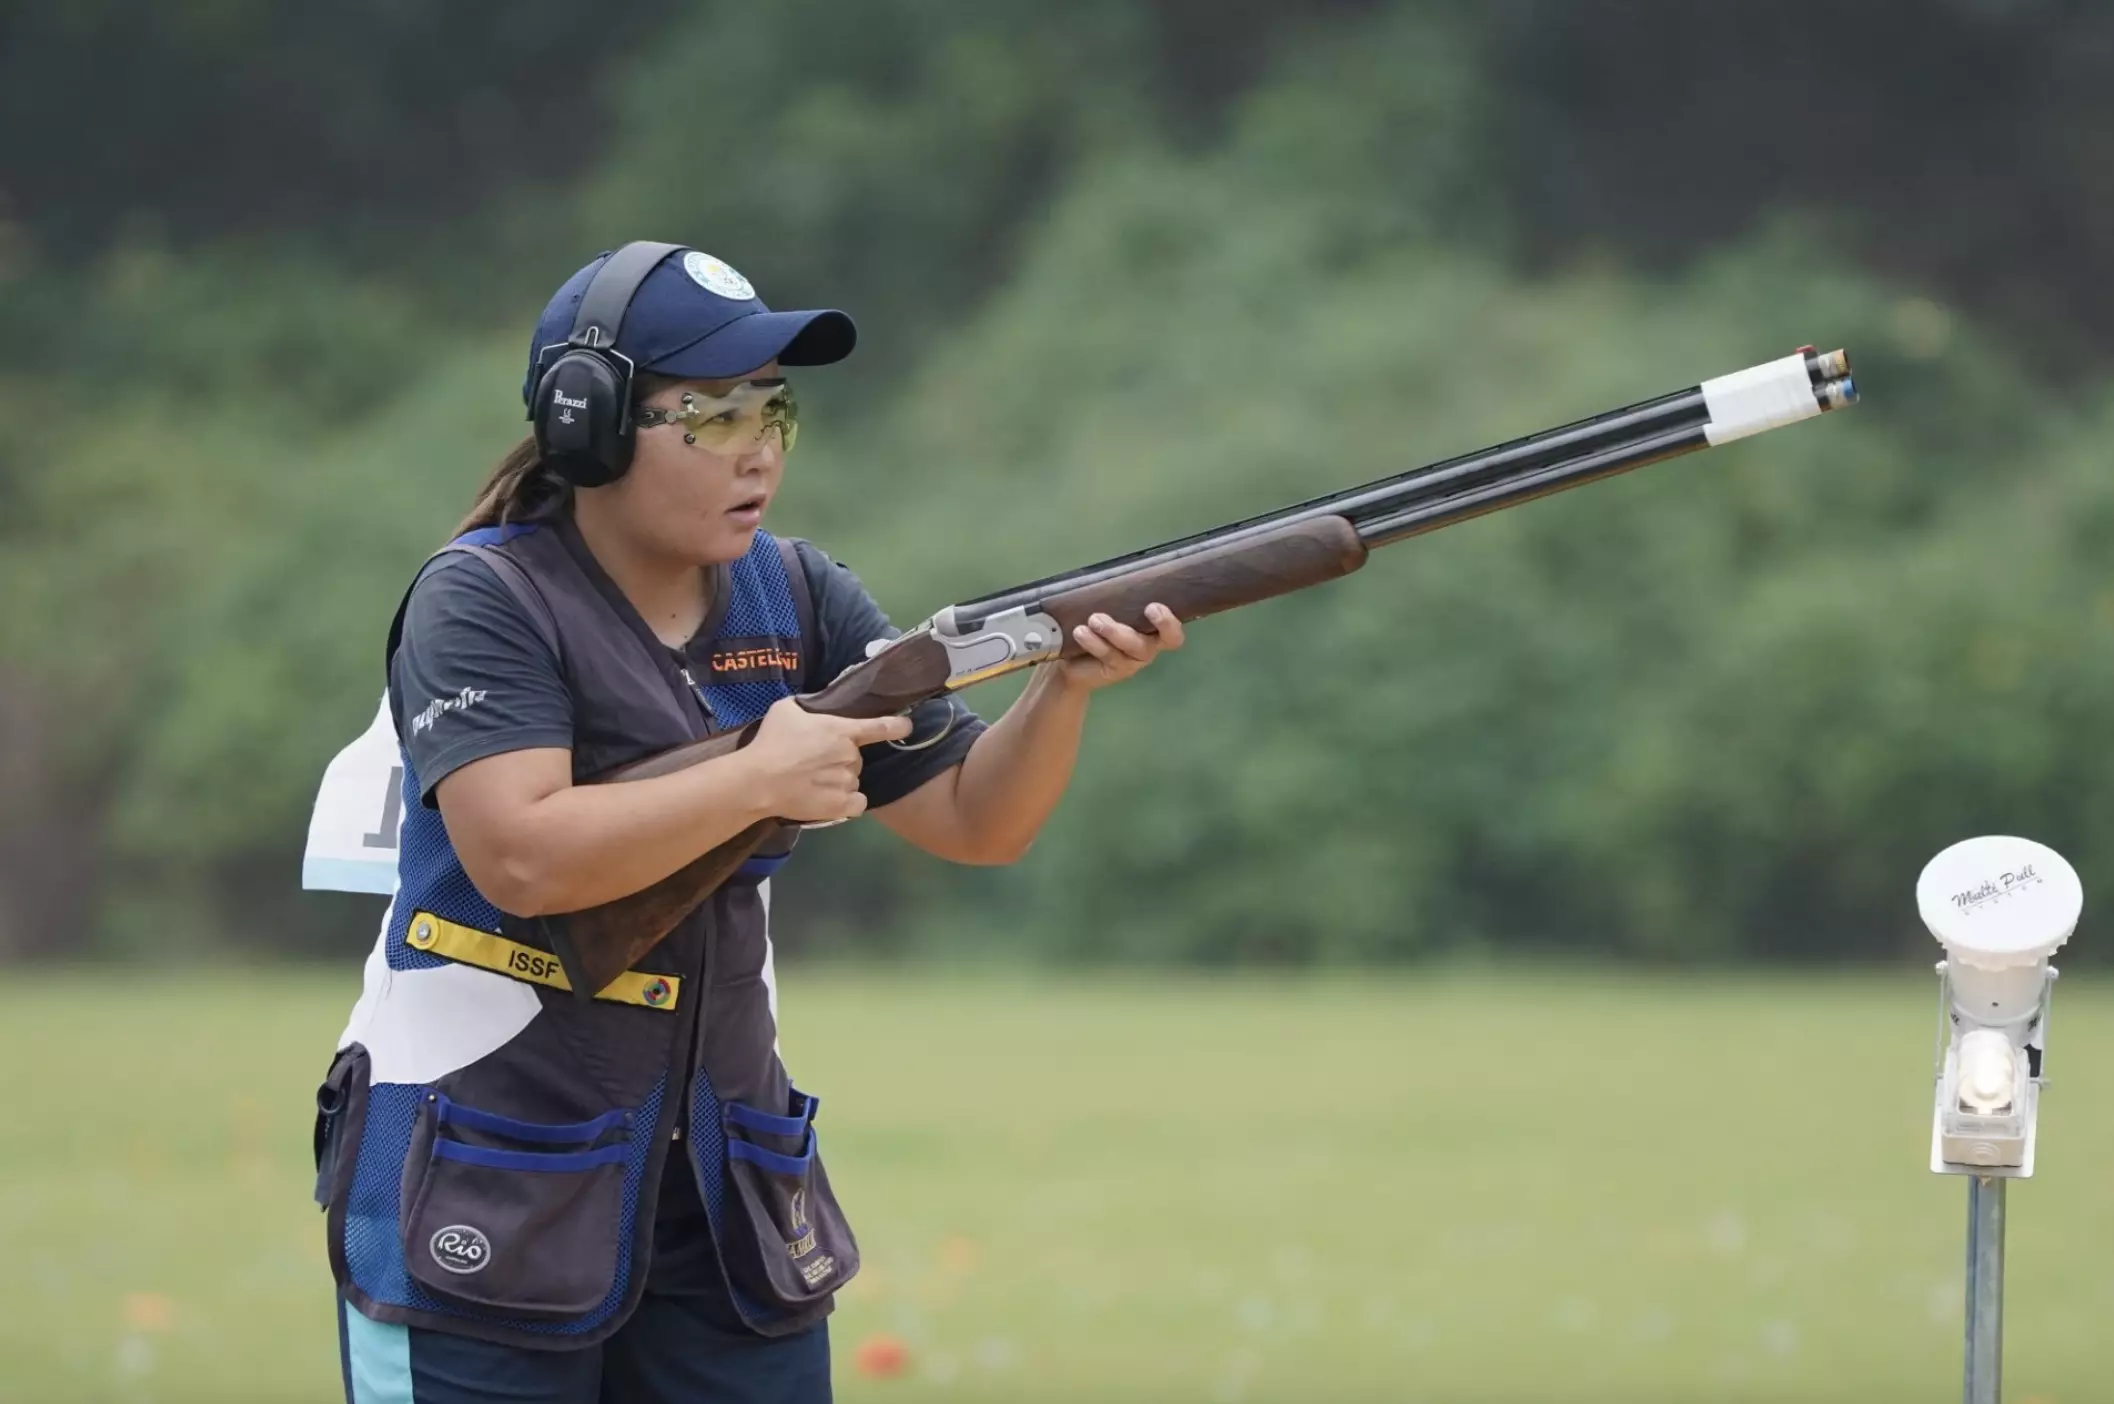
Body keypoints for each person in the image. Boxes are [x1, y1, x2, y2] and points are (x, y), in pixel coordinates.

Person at [310, 241, 1183, 1404]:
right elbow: (520, 856)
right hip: (483, 1174)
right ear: (591, 422)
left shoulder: (799, 591)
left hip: (724, 1193)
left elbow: (977, 820)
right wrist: (757, 779)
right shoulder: (484, 597)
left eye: (772, 408)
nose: (760, 446)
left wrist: (1058, 687)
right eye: (713, 415)